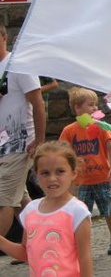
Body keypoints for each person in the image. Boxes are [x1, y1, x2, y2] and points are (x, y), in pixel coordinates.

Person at [0, 141, 93, 276]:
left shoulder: (77, 211)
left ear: (73, 173)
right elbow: (25, 253)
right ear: (37, 175)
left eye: (60, 171)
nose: (52, 178)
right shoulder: (30, 210)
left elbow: (84, 258)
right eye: (45, 173)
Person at [59, 86, 111, 256]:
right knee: (81, 215)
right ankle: (79, 245)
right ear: (78, 108)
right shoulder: (69, 130)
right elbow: (63, 152)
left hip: (102, 177)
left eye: (96, 105)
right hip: (82, 181)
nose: (95, 108)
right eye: (91, 105)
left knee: (108, 210)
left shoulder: (101, 126)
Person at [0, 22, 45, 242]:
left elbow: (38, 103)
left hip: (20, 145)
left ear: (4, 37)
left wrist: (40, 140)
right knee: (21, 202)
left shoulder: (18, 65)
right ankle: (42, 241)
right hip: (1, 146)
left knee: (4, 200)